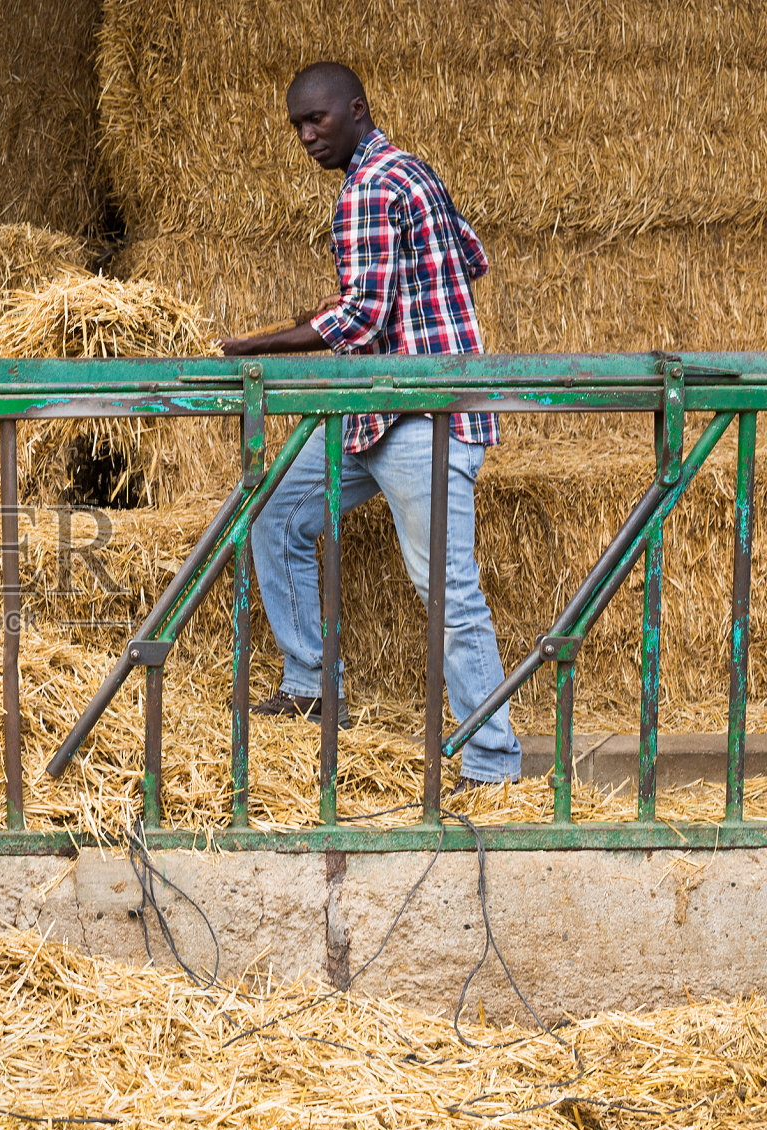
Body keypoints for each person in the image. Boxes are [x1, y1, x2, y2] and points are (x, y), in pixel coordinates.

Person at [217, 61, 520, 789]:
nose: (306, 134)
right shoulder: (412, 172)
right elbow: (471, 255)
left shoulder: (369, 186)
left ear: (356, 109)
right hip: (376, 411)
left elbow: (361, 317)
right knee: (275, 512)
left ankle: (491, 758)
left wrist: (259, 345)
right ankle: (314, 681)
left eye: (318, 119)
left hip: (421, 415)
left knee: (444, 586)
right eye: (297, 124)